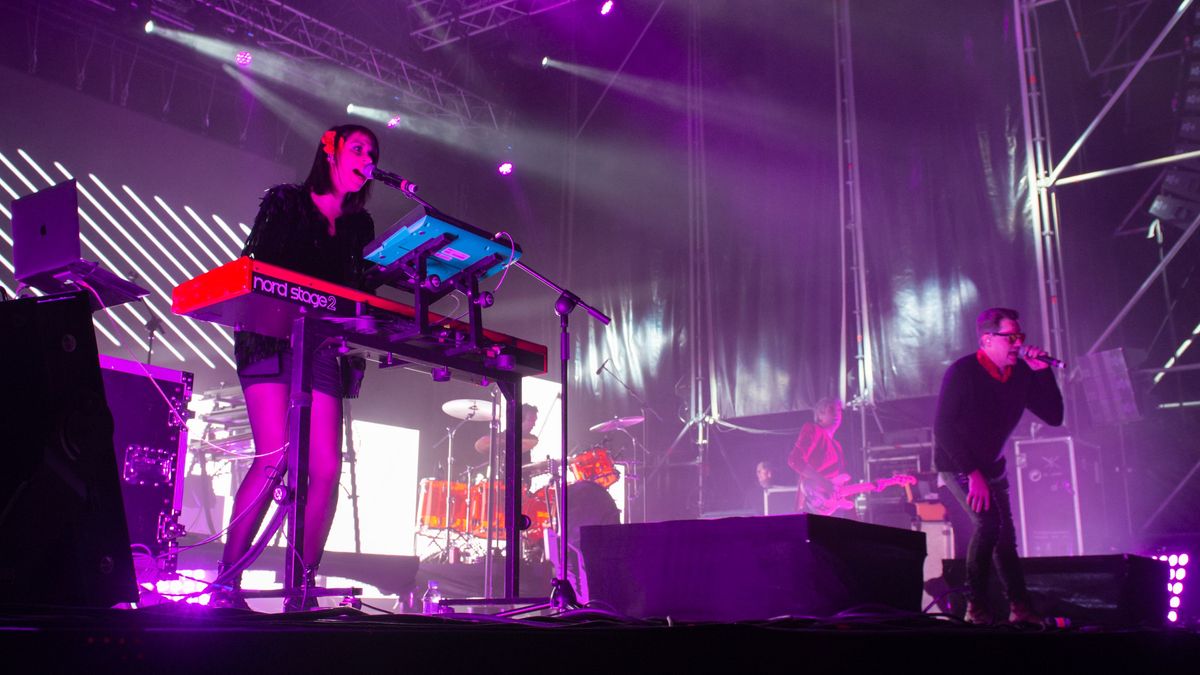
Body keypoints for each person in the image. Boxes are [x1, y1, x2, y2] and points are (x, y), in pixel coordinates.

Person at [215, 124, 380, 610]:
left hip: (321, 345)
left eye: (373, 152)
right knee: (275, 457)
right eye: (358, 148)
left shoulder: (358, 227)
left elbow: (359, 290)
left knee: (326, 468)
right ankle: (226, 583)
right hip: (268, 333)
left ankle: (301, 589)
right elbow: (255, 267)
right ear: (329, 152)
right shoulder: (285, 201)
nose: (367, 157)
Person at [933, 307, 1063, 625]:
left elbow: (1054, 416)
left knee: (1006, 538)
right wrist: (972, 473)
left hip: (993, 466)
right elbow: (943, 427)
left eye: (1021, 336)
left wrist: (1041, 371)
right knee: (989, 524)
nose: (1018, 343)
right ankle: (975, 607)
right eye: (1011, 337)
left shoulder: (1019, 373)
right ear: (988, 340)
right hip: (958, 463)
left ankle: (1020, 608)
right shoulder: (963, 372)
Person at [787, 398, 851, 515]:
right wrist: (824, 482)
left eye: (839, 410)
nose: (837, 413)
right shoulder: (813, 430)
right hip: (814, 503)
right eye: (831, 409)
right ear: (819, 415)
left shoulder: (837, 445)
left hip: (833, 507)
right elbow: (795, 460)